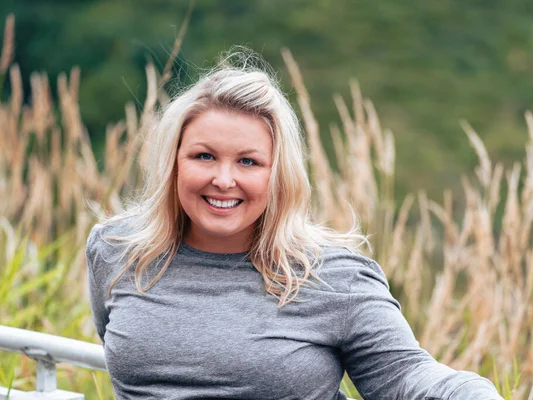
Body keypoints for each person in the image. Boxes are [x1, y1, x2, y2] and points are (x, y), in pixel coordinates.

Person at [86, 52, 503, 400]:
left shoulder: (334, 276)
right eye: (204, 156)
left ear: (279, 175)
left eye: (248, 162)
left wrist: (471, 392)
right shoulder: (117, 249)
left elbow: (405, 376)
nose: (224, 179)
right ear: (173, 162)